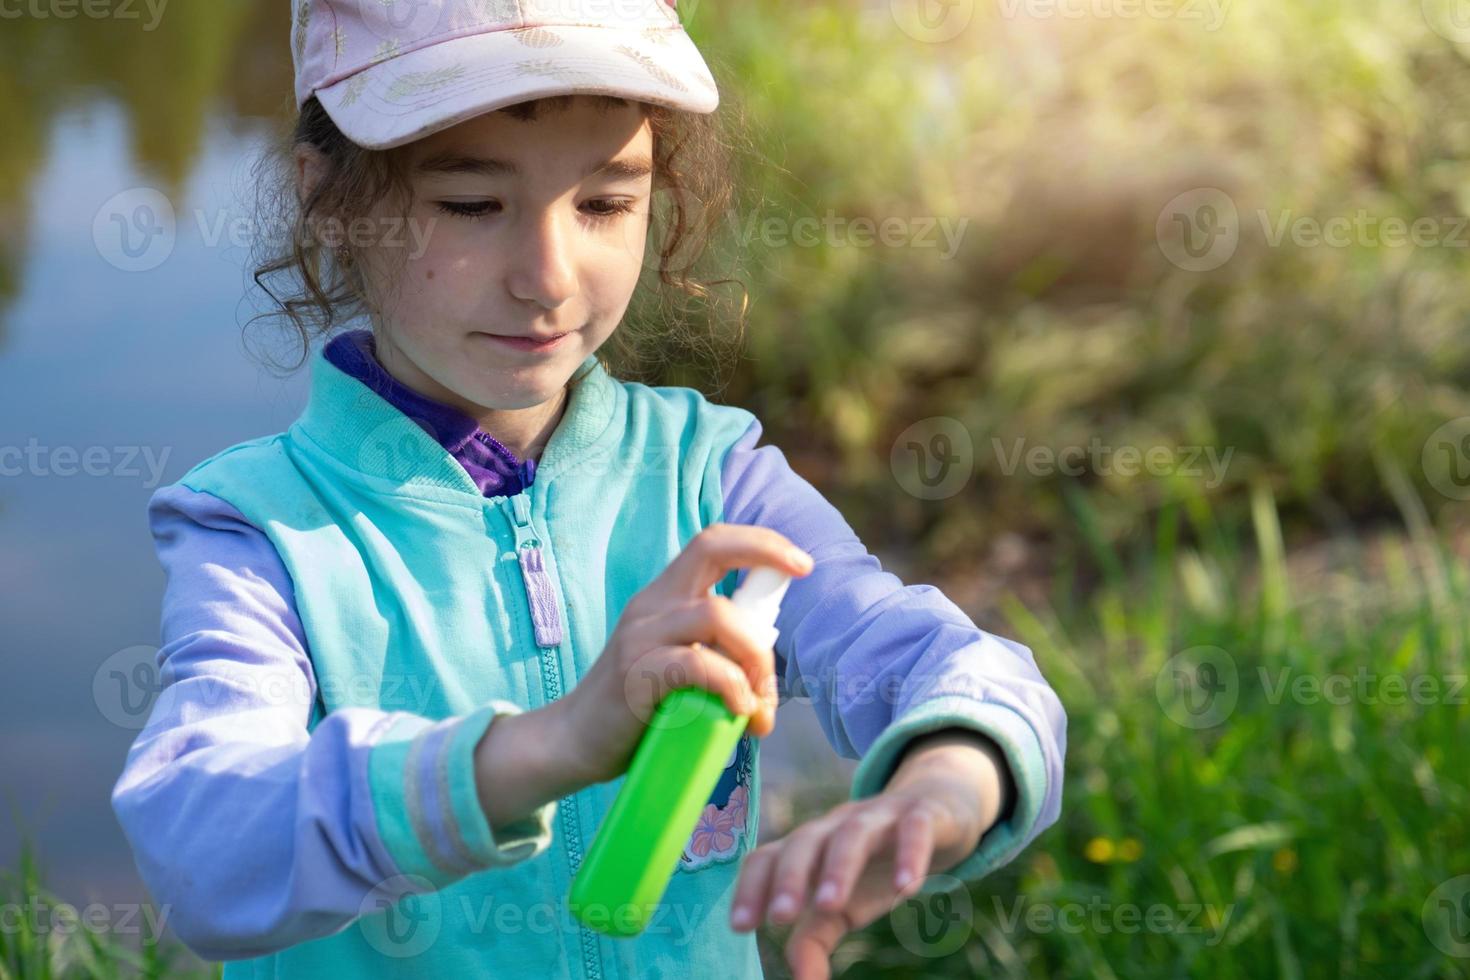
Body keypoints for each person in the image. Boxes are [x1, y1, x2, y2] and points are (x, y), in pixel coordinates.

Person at [111, 1, 1067, 977]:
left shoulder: (714, 481)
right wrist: (550, 744)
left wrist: (936, 789)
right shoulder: (261, 532)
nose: (550, 276)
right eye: (473, 205)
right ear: (332, 200)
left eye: (606, 202)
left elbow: (940, 657)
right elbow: (199, 847)